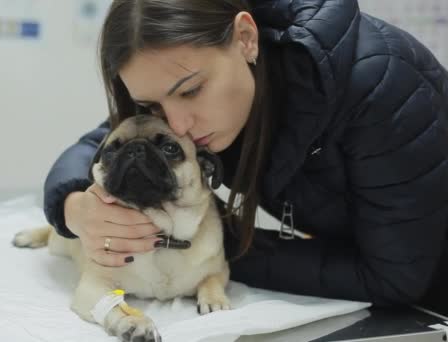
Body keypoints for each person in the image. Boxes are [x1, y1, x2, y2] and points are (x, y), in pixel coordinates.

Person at [44, 0, 448, 314]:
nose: (178, 125)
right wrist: (72, 205)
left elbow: (395, 277)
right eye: (151, 105)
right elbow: (95, 146)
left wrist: (211, 254)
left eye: (190, 91)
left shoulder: (384, 89)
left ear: (245, 38)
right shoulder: (192, 106)